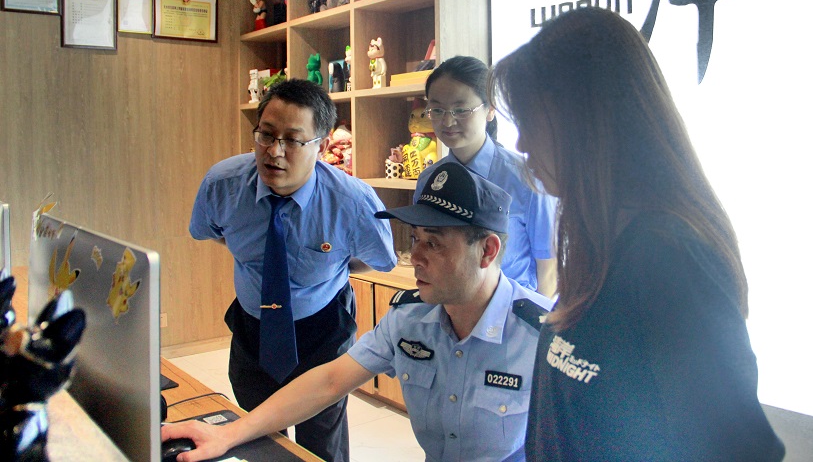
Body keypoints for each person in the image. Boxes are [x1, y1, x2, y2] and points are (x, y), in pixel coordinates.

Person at [489, 7, 785, 461]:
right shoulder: (599, 238)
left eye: (530, 122)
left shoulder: (671, 258)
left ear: (585, 122)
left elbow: (738, 448)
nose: (521, 144)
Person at [166, 162, 553, 462]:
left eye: (433, 244)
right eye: (415, 239)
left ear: (487, 251)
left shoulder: (547, 337)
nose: (415, 256)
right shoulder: (409, 320)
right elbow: (330, 381)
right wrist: (228, 433)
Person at [188, 78, 396, 462]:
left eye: (293, 140)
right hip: (253, 326)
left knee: (322, 441)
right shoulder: (223, 184)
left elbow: (378, 259)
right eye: (266, 135)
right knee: (259, 437)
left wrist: (329, 265)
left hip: (322, 328)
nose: (274, 151)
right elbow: (211, 233)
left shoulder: (353, 203)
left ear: (322, 145)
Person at [415, 56, 558, 297]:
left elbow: (549, 269)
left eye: (461, 110)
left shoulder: (528, 179)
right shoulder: (429, 180)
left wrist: (535, 319)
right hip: (448, 309)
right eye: (437, 110)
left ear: (490, 109)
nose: (448, 121)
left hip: (511, 311)